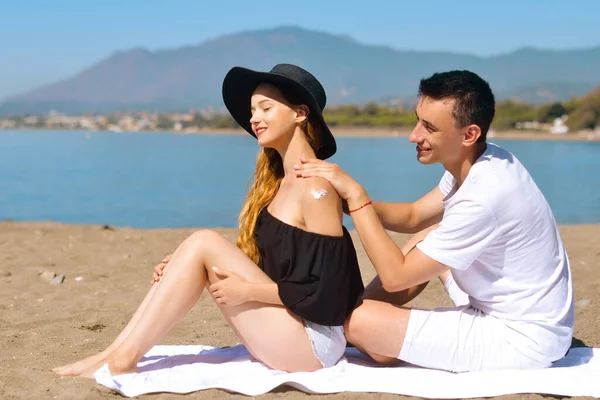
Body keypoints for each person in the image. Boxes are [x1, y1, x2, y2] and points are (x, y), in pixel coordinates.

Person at [52, 64, 364, 377]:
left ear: (300, 113)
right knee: (197, 248)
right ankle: (112, 354)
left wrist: (249, 292)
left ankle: (121, 360)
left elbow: (330, 291)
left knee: (204, 241)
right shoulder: (280, 183)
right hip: (286, 326)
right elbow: (279, 265)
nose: (255, 118)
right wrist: (184, 266)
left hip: (313, 342)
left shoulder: (316, 188)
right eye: (252, 110)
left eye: (266, 108)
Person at [293, 70, 574, 372]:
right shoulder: (482, 159)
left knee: (359, 322)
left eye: (429, 128)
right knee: (426, 237)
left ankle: (358, 326)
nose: (414, 135)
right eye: (418, 120)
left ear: (469, 134)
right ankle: (358, 322)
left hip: (522, 338)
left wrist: (357, 195)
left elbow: (396, 278)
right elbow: (413, 216)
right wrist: (345, 200)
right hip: (511, 307)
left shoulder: (485, 194)